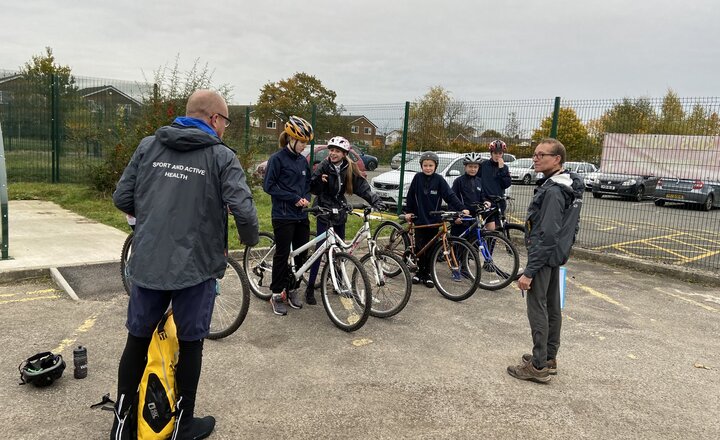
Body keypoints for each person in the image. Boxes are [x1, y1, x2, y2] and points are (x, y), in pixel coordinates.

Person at [111, 89, 259, 439]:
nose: (225, 128)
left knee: (137, 339)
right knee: (191, 343)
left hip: (148, 263)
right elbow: (245, 210)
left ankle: (121, 423)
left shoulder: (149, 146)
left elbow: (122, 197)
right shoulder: (221, 157)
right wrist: (249, 239)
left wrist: (149, 219)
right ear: (213, 119)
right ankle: (182, 424)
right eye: (224, 120)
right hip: (197, 267)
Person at [507, 138, 583, 383]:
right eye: (535, 154)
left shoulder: (553, 191)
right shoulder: (568, 186)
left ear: (557, 159)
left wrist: (529, 271)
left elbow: (546, 233)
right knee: (552, 307)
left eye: (542, 155)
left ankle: (538, 366)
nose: (535, 158)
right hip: (555, 257)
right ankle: (548, 357)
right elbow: (571, 228)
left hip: (544, 257)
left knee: (537, 307)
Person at [305, 136, 386, 304]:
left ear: (344, 154)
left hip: (340, 210)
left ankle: (339, 283)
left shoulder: (349, 167)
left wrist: (375, 200)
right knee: (320, 251)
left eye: (337, 151)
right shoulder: (323, 166)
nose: (333, 153)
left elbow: (362, 186)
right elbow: (313, 188)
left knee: (340, 251)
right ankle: (310, 287)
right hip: (324, 210)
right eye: (331, 150)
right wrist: (320, 181)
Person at [263, 116, 313, 316]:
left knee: (302, 254)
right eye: (302, 142)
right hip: (283, 215)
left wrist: (306, 198)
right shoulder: (277, 159)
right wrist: (293, 198)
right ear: (291, 139)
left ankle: (292, 289)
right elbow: (269, 186)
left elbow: (307, 184)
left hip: (301, 214)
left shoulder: (302, 161)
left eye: (306, 143)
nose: (304, 146)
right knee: (283, 255)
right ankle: (276, 294)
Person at [404, 152, 469, 288]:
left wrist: (462, 208)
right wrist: (408, 211)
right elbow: (411, 195)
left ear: (436, 166)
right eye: (425, 165)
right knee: (420, 248)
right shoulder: (417, 178)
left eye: (431, 165)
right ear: (421, 166)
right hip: (420, 218)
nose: (428, 168)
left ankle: (427, 273)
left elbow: (450, 195)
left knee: (432, 248)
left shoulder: (439, 179)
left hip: (434, 220)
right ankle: (419, 273)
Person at [451, 152, 488, 238]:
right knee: (459, 247)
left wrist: (486, 202)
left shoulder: (479, 181)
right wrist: (455, 217)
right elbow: (452, 200)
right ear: (465, 167)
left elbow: (482, 196)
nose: (473, 169)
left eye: (475, 167)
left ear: (479, 168)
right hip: (462, 219)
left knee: (474, 246)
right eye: (470, 166)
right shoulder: (459, 181)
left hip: (475, 220)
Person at [480, 140, 512, 231]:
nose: (498, 155)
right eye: (495, 153)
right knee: (488, 229)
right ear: (491, 153)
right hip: (487, 201)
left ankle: (491, 245)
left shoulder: (504, 167)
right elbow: (478, 181)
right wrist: (483, 197)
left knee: (497, 230)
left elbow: (506, 184)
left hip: (499, 202)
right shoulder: (484, 165)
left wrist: (501, 170)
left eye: (500, 153)